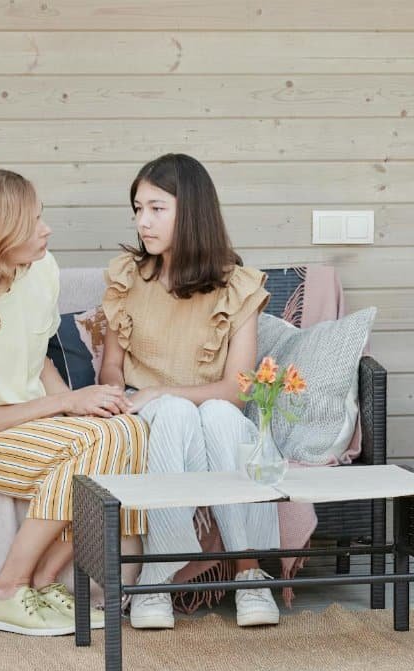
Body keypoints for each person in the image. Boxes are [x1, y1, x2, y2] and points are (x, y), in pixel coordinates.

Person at [0, 168, 149, 636]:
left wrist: (82, 405)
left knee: (126, 428)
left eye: (42, 217)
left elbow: (37, 361)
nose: (47, 229)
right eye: (32, 222)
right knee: (89, 444)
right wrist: (65, 407)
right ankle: (5, 590)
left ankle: (42, 579)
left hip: (25, 423)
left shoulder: (41, 270)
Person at [99, 153, 281, 630]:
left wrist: (161, 394)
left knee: (220, 417)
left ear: (192, 210)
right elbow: (111, 370)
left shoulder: (237, 286)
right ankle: (157, 580)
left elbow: (237, 391)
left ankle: (250, 572)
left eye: (157, 208)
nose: (143, 221)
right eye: (138, 209)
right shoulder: (126, 277)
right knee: (177, 415)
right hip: (150, 415)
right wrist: (120, 396)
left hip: (210, 408)